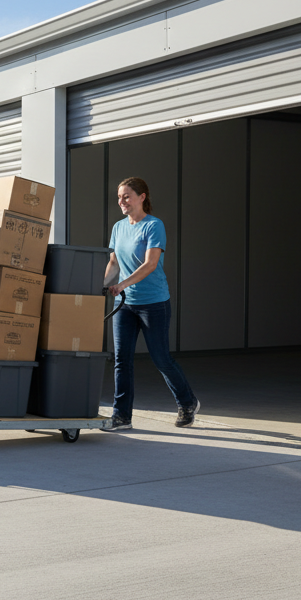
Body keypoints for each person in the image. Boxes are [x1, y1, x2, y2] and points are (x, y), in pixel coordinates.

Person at [103, 177, 199, 431]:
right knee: (122, 360)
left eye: (127, 196)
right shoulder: (118, 227)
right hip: (124, 305)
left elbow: (150, 264)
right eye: (119, 197)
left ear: (142, 197)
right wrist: (99, 286)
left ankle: (188, 402)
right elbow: (114, 264)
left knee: (161, 359)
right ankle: (121, 416)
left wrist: (122, 284)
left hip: (153, 303)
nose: (122, 201)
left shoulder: (154, 226)